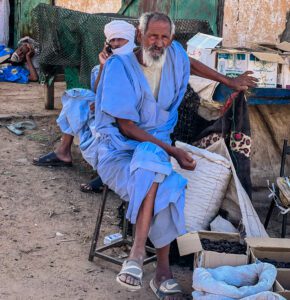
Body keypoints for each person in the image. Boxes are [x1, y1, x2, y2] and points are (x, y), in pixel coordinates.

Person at [93, 12, 256, 299]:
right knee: (155, 163)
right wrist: (174, 152)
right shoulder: (120, 66)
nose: (158, 43)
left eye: (164, 37)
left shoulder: (173, 54)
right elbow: (126, 127)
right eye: (152, 36)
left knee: (166, 181)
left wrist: (228, 81)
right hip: (118, 150)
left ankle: (138, 257)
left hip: (154, 152)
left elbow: (188, 62)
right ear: (139, 35)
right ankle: (159, 268)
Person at [33, 20, 136, 192]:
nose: (116, 44)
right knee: (76, 99)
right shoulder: (107, 63)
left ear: (131, 39)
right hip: (106, 107)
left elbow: (133, 97)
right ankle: (63, 151)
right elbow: (98, 89)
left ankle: (107, 174)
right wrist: (104, 67)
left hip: (125, 114)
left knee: (101, 127)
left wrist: (105, 105)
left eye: (121, 39)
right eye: (113, 40)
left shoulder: (137, 63)